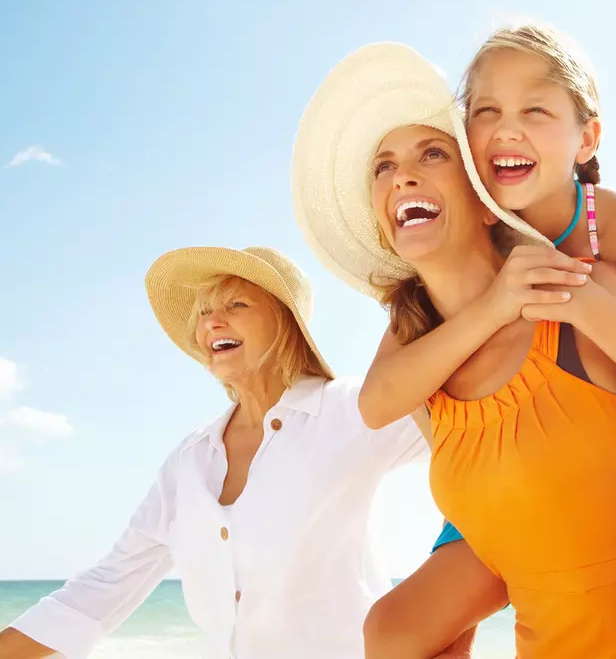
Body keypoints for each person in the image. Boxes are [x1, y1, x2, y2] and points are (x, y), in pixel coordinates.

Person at [292, 43, 616, 658]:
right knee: (392, 627)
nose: (404, 175)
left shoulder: (608, 244)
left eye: (430, 152)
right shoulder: (420, 327)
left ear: (481, 193)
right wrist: (497, 307)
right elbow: (374, 404)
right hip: (507, 496)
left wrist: (582, 306)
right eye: (384, 166)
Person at [0, 246, 426, 659]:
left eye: (236, 305)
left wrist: (449, 603)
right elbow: (104, 588)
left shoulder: (351, 408)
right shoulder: (189, 460)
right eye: (203, 313)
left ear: (286, 323)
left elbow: (475, 441)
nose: (211, 323)